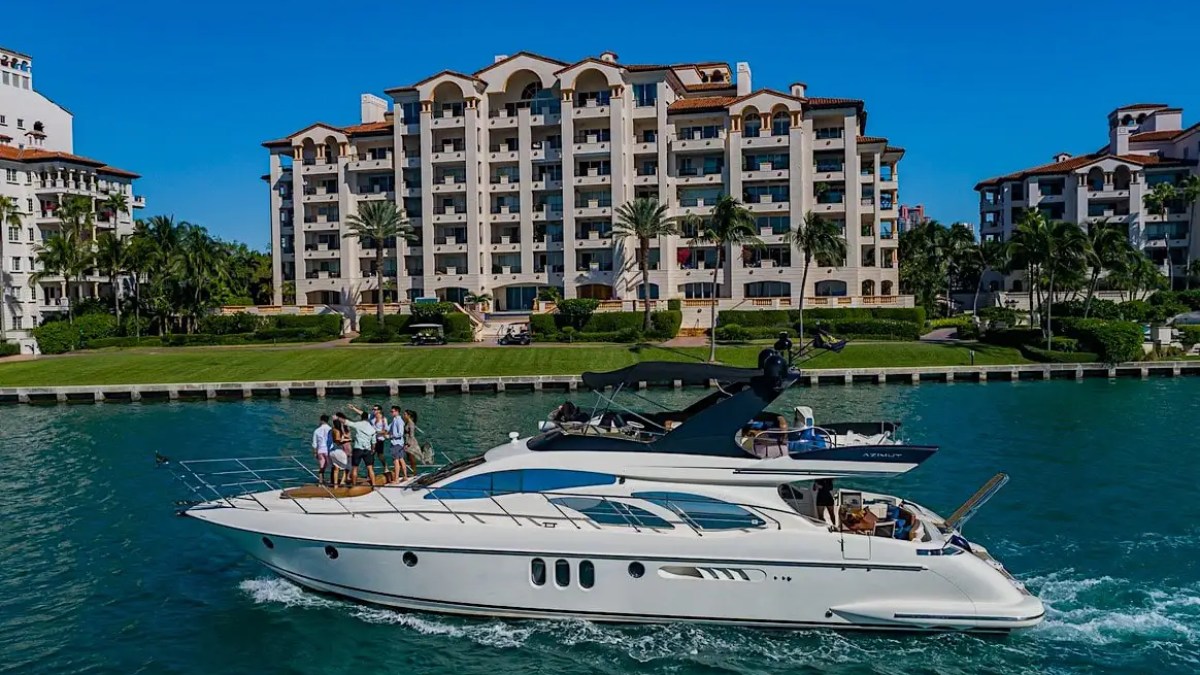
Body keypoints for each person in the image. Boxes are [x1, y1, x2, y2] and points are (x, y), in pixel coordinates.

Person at [346, 406, 378, 487]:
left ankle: (354, 485)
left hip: (358, 449)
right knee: (370, 468)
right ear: (368, 418)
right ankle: (374, 485)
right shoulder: (372, 428)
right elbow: (374, 442)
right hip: (367, 450)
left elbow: (350, 423)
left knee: (355, 468)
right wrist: (373, 449)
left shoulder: (358, 424)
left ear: (361, 417)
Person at [328, 415, 351, 487]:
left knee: (336, 469)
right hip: (339, 451)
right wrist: (348, 440)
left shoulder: (331, 430)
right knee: (345, 467)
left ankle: (335, 485)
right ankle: (342, 482)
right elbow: (338, 440)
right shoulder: (337, 431)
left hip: (332, 451)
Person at [387, 406, 408, 484]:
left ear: (397, 412)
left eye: (392, 411)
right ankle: (405, 476)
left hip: (396, 443)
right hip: (399, 444)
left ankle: (396, 479)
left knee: (395, 461)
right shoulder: (394, 420)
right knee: (401, 459)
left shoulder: (399, 421)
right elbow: (388, 427)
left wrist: (390, 436)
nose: (391, 413)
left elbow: (400, 433)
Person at [311, 414, 332, 485]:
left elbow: (314, 443)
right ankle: (332, 480)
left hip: (320, 450)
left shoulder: (316, 430)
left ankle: (320, 480)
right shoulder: (330, 429)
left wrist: (315, 452)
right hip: (328, 450)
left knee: (322, 466)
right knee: (332, 466)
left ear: (321, 420)